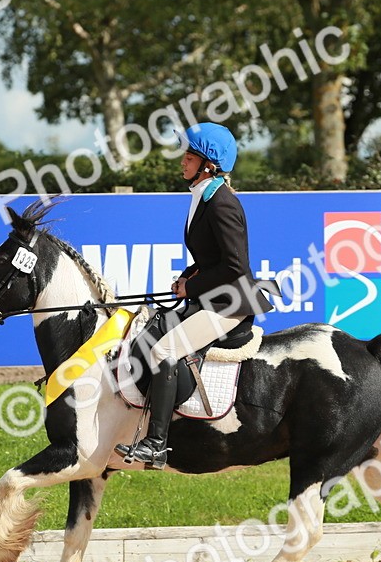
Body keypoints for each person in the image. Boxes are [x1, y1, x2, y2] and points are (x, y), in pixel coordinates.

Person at [116, 122, 276, 469]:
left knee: (164, 350)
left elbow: (235, 266)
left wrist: (192, 287)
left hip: (231, 305)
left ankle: (156, 444)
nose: (182, 162)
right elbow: (211, 258)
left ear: (209, 165)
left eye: (189, 157)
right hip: (212, 297)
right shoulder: (204, 197)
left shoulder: (221, 203)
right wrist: (188, 276)